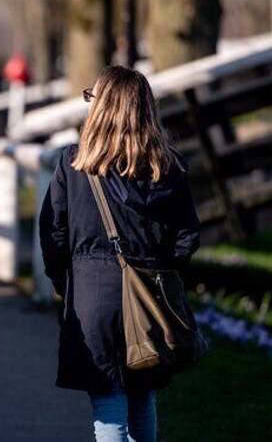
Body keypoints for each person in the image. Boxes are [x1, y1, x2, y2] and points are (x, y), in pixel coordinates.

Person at [39, 66, 200, 442]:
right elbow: (187, 235)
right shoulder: (168, 167)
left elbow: (53, 234)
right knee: (143, 399)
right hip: (150, 296)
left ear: (101, 107)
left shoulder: (75, 164)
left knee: (109, 411)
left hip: (93, 295)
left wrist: (65, 283)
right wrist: (164, 273)